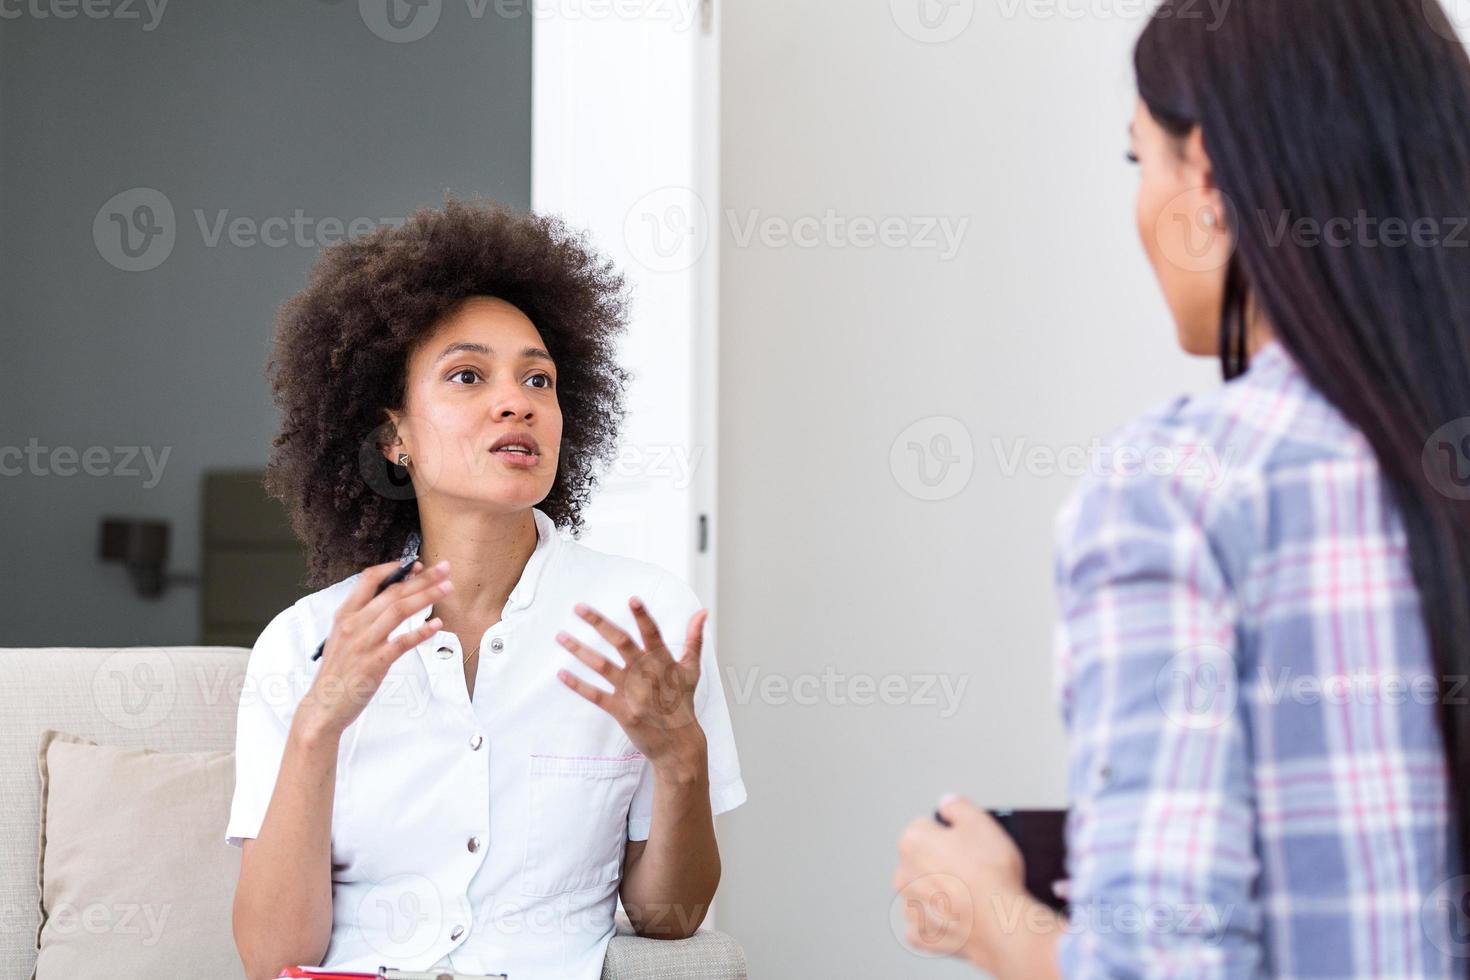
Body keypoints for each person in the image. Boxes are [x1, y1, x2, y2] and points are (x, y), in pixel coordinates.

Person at [893, 0, 1470, 975]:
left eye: (1139, 160)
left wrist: (988, 911)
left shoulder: (1182, 491)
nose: (1137, 202)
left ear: (1206, 177)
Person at [226, 200, 746, 980]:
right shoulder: (305, 643)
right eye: (468, 376)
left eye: (539, 378)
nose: (518, 400)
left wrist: (681, 762)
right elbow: (273, 957)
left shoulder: (647, 625)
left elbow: (667, 921)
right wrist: (318, 726)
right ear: (392, 436)